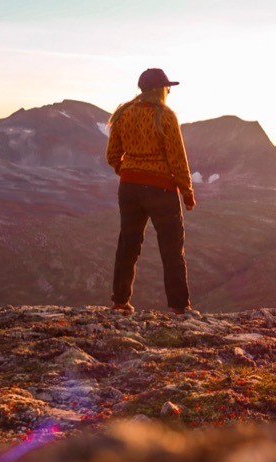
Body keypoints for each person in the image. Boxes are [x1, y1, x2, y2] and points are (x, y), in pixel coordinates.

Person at [106, 68, 196, 315]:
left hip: (129, 188)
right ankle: (180, 307)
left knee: (128, 243)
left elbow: (113, 155)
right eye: (167, 88)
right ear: (159, 90)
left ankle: (120, 301)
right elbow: (177, 158)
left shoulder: (123, 114)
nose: (168, 92)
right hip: (161, 190)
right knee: (171, 247)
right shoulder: (165, 115)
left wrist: (129, 172)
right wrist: (187, 193)